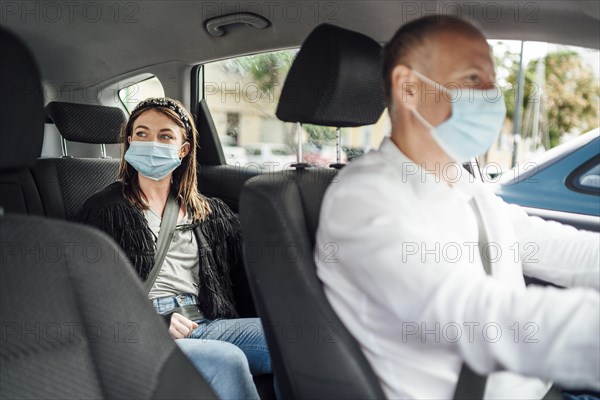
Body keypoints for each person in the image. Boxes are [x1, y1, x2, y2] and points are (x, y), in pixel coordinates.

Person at [315, 16, 599, 400]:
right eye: (472, 79)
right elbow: (479, 318)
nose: (491, 95)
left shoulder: (463, 186)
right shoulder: (363, 199)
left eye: (493, 82)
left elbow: (560, 248)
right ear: (410, 88)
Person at [77, 97, 271, 399]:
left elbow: (256, 256)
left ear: (183, 150)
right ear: (129, 143)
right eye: (141, 134)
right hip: (145, 331)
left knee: (291, 339)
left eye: (165, 136)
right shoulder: (104, 209)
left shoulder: (211, 212)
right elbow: (86, 296)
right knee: (227, 360)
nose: (151, 143)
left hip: (207, 322)